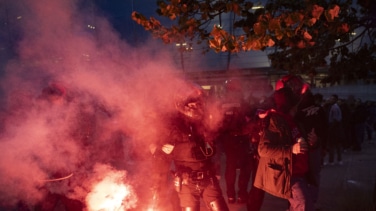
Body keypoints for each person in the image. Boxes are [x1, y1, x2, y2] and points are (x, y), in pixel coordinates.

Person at [149, 82, 229, 211]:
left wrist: (217, 170)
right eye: (191, 103)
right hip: (187, 182)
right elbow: (158, 153)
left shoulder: (205, 121)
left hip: (209, 179)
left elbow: (215, 147)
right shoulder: (172, 124)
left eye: (198, 103)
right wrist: (160, 149)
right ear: (183, 103)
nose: (195, 107)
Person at [253, 87, 316, 211]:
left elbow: (301, 144)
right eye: (297, 102)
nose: (299, 105)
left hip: (301, 173)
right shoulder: (275, 120)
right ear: (290, 104)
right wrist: (291, 149)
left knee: (300, 205)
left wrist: (313, 143)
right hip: (290, 175)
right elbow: (263, 150)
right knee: (304, 205)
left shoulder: (295, 120)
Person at [217, 78, 252, 204]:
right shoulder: (243, 102)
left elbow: (218, 123)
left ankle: (231, 195)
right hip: (241, 138)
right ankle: (242, 194)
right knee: (244, 167)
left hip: (229, 139)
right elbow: (250, 119)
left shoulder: (222, 103)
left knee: (231, 166)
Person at [325, 94, 344, 164]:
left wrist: (330, 128)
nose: (330, 100)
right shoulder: (333, 107)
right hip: (335, 127)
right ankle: (338, 160)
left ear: (335, 100)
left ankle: (332, 160)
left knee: (333, 145)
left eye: (332, 99)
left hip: (334, 128)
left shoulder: (335, 107)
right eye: (330, 98)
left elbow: (335, 119)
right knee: (336, 145)